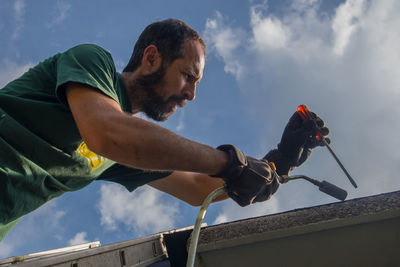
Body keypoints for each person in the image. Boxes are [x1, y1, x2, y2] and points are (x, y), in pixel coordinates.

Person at [0, 19, 329, 242]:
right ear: (152, 58)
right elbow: (107, 133)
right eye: (188, 76)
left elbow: (197, 189)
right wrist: (230, 163)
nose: (191, 95)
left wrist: (279, 162)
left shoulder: (126, 151)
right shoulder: (92, 62)